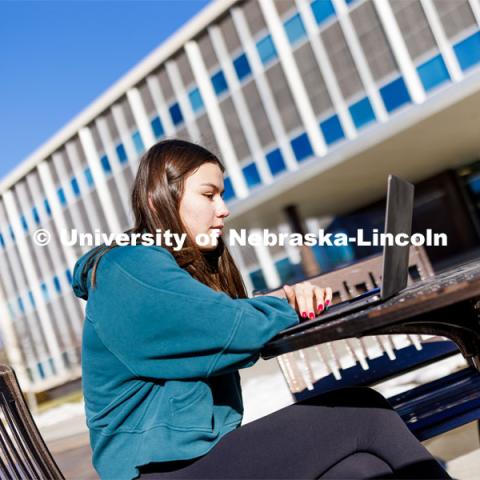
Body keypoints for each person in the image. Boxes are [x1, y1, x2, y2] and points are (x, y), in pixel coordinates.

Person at [72, 139, 449, 480]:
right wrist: (285, 305)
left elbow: (219, 316)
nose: (224, 209)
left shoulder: (162, 273)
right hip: (157, 473)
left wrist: (287, 304)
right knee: (364, 411)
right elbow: (227, 326)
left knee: (360, 470)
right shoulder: (128, 268)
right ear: (158, 200)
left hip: (198, 462)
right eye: (209, 195)